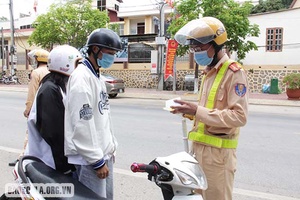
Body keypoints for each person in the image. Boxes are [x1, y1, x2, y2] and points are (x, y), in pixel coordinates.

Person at [171, 17, 249, 200]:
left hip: (218, 157)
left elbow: (239, 116)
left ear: (217, 44)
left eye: (200, 48)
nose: (196, 53)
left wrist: (197, 111)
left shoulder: (234, 73)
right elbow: (210, 110)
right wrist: (190, 111)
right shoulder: (209, 73)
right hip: (198, 151)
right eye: (193, 49)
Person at [64, 28, 121, 199]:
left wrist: (111, 148)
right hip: (89, 159)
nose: (113, 57)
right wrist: (96, 161)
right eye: (110, 53)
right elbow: (83, 124)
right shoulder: (82, 78)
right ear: (95, 50)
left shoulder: (95, 76)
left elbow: (102, 117)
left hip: (101, 155)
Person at [26, 45, 82, 174]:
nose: (79, 68)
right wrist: (65, 164)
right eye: (77, 63)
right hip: (49, 161)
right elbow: (54, 132)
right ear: (66, 64)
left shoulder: (60, 86)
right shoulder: (50, 90)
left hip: (55, 160)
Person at [9, 49, 50, 167]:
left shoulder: (36, 72)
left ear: (38, 60)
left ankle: (22, 158)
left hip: (36, 108)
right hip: (48, 109)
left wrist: (28, 109)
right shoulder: (50, 71)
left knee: (30, 134)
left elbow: (32, 92)